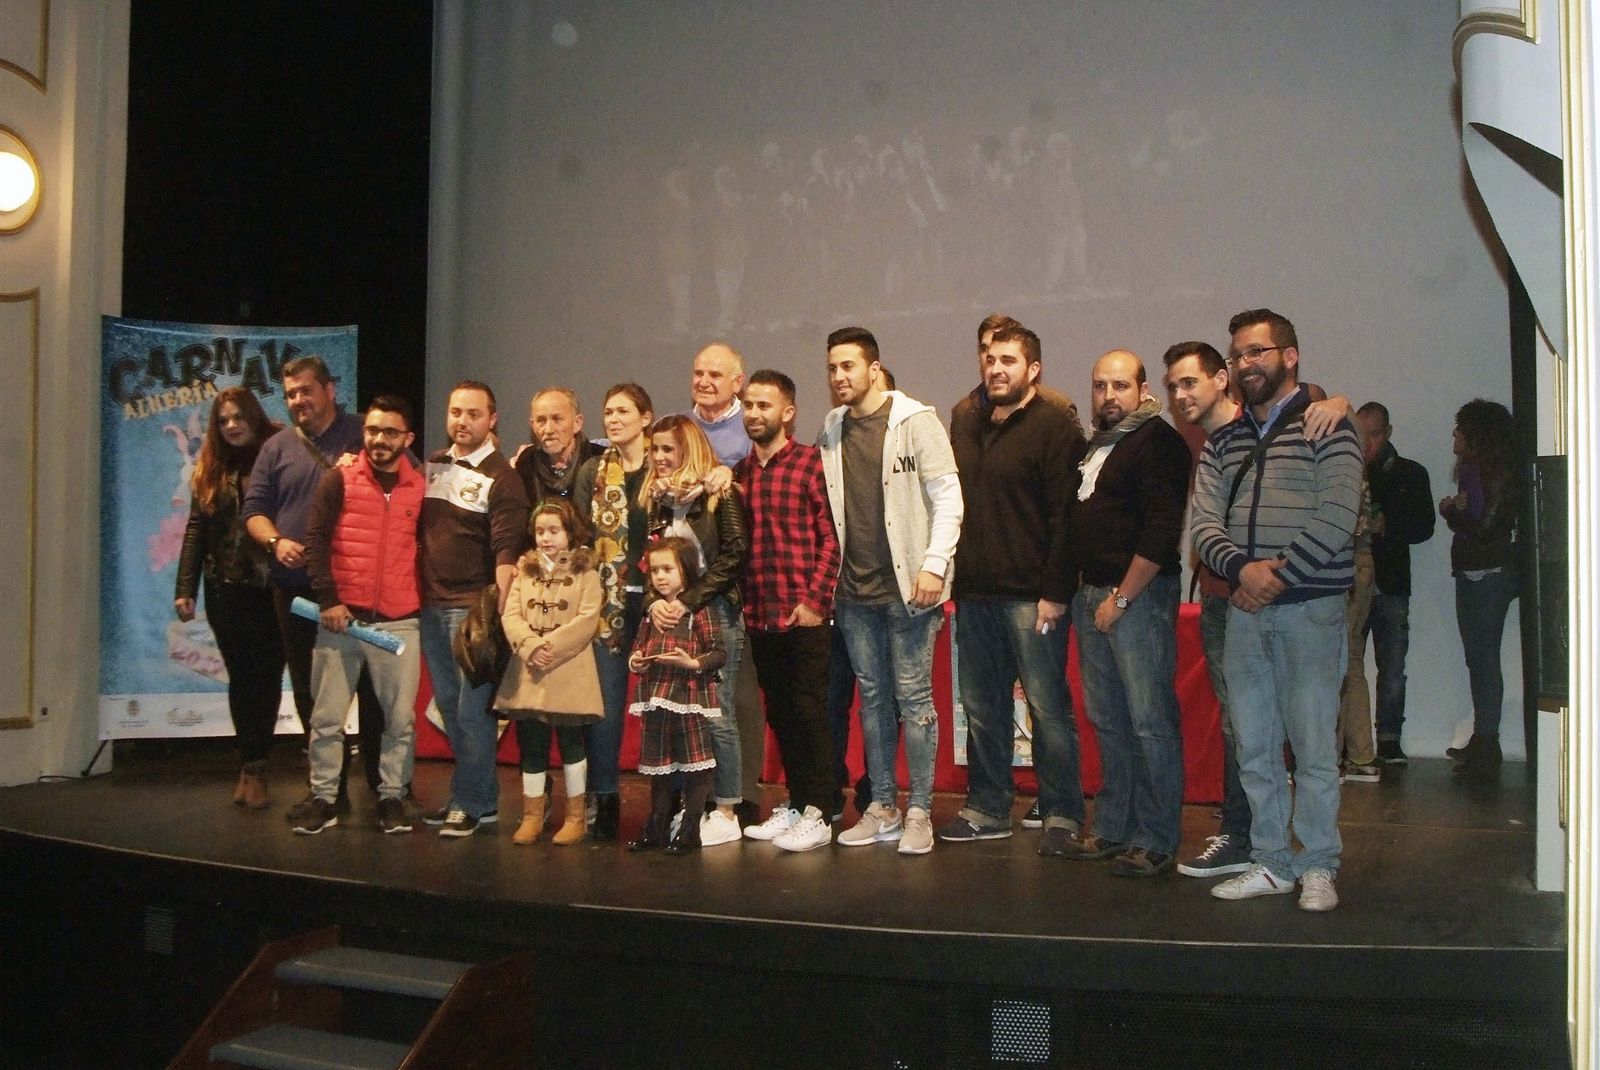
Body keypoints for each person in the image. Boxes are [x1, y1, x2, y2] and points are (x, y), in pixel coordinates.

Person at [1192, 308, 1364, 912]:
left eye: (1258, 351)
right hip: (1245, 610)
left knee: (1314, 745)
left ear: (1290, 356)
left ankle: (1317, 864)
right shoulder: (1224, 442)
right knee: (1255, 745)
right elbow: (1204, 524)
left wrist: (1277, 575)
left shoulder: (1329, 427)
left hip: (1310, 609)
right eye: (1238, 354)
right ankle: (1271, 861)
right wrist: (1242, 571)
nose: (1246, 363)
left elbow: (1339, 515)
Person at [941, 324, 1089, 848]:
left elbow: (1065, 518)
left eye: (1008, 359)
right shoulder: (965, 420)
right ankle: (987, 806)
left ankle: (1063, 813)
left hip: (1034, 596)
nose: (995, 367)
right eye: (988, 357)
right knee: (981, 708)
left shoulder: (1055, 427)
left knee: (1048, 708)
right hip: (975, 593)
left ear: (1033, 369)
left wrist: (1056, 591)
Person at [820, 328, 963, 856]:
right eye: (833, 368)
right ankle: (882, 805)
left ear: (874, 368)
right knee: (873, 701)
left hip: (911, 592)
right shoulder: (832, 428)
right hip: (853, 593)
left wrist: (933, 565)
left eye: (849, 367)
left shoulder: (916, 422)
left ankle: (920, 809)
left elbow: (949, 497)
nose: (839, 378)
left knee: (915, 698)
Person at [242, 355, 385, 818]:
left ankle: (386, 792)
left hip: (360, 586)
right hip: (297, 589)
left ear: (330, 389)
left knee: (373, 690)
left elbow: (405, 481)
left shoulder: (367, 432)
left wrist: (365, 466)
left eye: (305, 390)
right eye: (290, 394)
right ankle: (329, 789)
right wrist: (275, 540)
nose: (298, 400)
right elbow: (254, 511)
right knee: (308, 690)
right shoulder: (276, 447)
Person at [1068, 350, 1190, 877]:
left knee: (1150, 723)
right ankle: (1115, 828)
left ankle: (1157, 839)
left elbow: (1162, 532)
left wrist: (1121, 599)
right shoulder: (1101, 444)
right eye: (1099, 386)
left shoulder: (1158, 442)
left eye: (1120, 385)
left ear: (1143, 389)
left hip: (1135, 600)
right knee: (1109, 722)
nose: (1108, 395)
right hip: (1091, 597)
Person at [292, 396, 426, 835]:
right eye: (372, 430)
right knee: (327, 717)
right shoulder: (340, 479)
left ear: (408, 439)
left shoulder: (421, 486)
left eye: (390, 432)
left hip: (399, 619)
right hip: (341, 619)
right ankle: (325, 798)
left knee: (399, 721)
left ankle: (392, 797)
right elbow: (315, 540)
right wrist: (329, 599)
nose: (379, 439)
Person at [735, 370, 843, 853]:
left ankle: (821, 811)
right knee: (780, 714)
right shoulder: (738, 473)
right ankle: (799, 805)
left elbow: (832, 537)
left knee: (809, 712)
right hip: (759, 614)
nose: (755, 414)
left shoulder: (810, 464)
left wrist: (815, 602)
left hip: (804, 616)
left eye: (765, 405)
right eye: (749, 405)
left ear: (788, 412)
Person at [419, 381, 531, 838]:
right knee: (448, 708)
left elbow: (507, 550)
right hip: (429, 606)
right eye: (455, 412)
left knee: (472, 714)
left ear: (492, 419)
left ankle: (473, 802)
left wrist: (499, 617)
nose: (462, 421)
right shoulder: (432, 466)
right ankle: (475, 801)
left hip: (472, 612)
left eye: (472, 414)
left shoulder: (503, 477)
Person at [175, 388, 286, 809]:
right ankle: (250, 764)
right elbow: (194, 530)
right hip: (224, 586)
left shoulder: (276, 457)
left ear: (254, 418)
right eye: (224, 420)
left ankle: (257, 768)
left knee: (268, 675)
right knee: (242, 678)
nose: (232, 425)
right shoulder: (212, 467)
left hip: (271, 585)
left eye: (239, 417)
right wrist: (184, 589)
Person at [644, 415, 750, 846]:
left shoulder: (718, 493)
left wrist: (688, 600)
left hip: (717, 613)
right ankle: (691, 808)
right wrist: (656, 604)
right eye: (655, 449)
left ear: (689, 449)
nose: (660, 457)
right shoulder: (656, 501)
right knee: (680, 717)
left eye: (669, 449)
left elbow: (735, 554)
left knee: (717, 711)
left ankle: (726, 808)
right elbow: (650, 560)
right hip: (672, 618)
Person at [573, 383, 656, 840]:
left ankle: (671, 800)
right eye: (608, 412)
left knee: (666, 706)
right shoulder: (592, 470)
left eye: (624, 411)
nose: (614, 419)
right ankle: (603, 798)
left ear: (646, 418)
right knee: (604, 708)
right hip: (608, 605)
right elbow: (583, 537)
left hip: (660, 604)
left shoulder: (664, 466)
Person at [496, 499, 603, 845]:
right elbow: (510, 615)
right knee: (532, 744)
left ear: (570, 533)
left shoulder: (586, 571)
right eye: (540, 531)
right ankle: (532, 815)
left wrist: (550, 648)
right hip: (529, 670)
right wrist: (529, 645)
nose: (546, 538)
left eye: (554, 531)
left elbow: (587, 619)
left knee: (572, 743)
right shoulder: (524, 570)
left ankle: (575, 817)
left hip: (569, 668)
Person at [684, 343, 763, 815]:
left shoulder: (751, 427)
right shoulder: (676, 427)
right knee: (687, 695)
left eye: (716, 374)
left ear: (738, 382)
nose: (704, 381)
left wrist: (730, 481)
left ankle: (741, 793)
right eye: (698, 373)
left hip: (737, 586)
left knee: (736, 696)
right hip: (680, 591)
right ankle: (694, 792)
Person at [626, 537, 727, 854]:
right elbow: (638, 648)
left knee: (694, 765)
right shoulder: (651, 612)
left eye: (667, 568)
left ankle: (690, 830)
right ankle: (656, 826)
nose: (660, 576)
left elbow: (719, 653)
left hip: (689, 697)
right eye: (655, 570)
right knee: (660, 767)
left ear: (686, 568)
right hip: (656, 697)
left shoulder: (699, 610)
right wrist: (636, 661)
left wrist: (692, 663)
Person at [1440, 399, 1521, 777]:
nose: (1454, 434)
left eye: (1460, 428)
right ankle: (1483, 738)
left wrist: (1451, 512)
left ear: (1477, 434)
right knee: (1478, 658)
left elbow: (1487, 527)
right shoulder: (1475, 469)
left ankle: (1487, 741)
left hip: (1490, 573)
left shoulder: (1496, 470)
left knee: (1484, 659)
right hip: (1474, 571)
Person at [1355, 402, 1436, 765]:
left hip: (1390, 583)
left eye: (1375, 434)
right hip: (1353, 583)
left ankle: (1388, 739)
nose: (1369, 443)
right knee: (1349, 663)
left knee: (1392, 666)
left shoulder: (1410, 474)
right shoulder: (1347, 469)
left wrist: (1387, 526)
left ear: (1388, 432)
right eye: (1363, 434)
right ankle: (1352, 740)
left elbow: (1424, 528)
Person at [513, 387, 604, 503]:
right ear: (532, 426)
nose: (549, 430)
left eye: (557, 419)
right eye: (541, 420)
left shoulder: (600, 459)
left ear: (577, 423)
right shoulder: (526, 462)